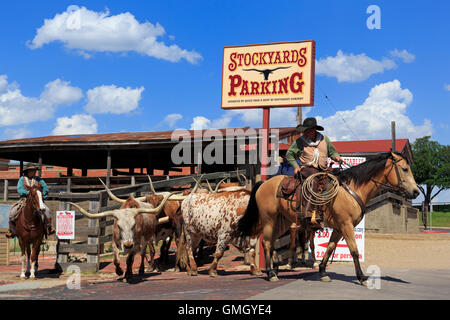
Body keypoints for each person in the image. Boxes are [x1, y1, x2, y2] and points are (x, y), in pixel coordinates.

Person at [286, 117, 344, 224]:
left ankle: (335, 209)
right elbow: (289, 154)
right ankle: (307, 212)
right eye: (305, 130)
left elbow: (332, 152)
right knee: (313, 180)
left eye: (308, 130)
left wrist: (337, 157)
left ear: (314, 130)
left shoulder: (324, 139)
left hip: (323, 169)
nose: (306, 132)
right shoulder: (300, 141)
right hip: (308, 168)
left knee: (338, 179)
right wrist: (296, 166)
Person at [5, 164, 54, 238]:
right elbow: (20, 189)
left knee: (47, 210)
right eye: (31, 170)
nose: (33, 172)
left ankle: (49, 228)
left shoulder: (39, 179)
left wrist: (41, 195)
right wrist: (29, 193)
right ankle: (12, 231)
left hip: (37, 200)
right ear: (27, 171)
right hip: (24, 199)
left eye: (34, 170)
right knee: (12, 211)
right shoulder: (22, 179)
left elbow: (46, 188)